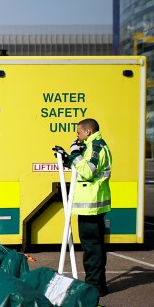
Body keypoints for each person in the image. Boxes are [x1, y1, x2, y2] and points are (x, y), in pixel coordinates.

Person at [53, 118, 112, 296]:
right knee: (94, 248)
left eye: (79, 133)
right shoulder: (92, 146)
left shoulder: (96, 147)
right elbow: (82, 167)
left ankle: (94, 287)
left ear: (88, 132)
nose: (77, 136)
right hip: (90, 206)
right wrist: (67, 158)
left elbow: (88, 172)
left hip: (91, 207)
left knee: (92, 249)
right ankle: (98, 286)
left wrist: (75, 153)